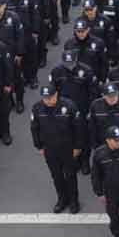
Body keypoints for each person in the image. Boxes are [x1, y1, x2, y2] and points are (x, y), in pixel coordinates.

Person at [30, 84, 84, 214]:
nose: (48, 100)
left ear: (56, 95)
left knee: (70, 175)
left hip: (67, 147)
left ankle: (73, 201)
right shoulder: (37, 108)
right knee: (56, 176)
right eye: (45, 98)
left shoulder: (69, 106)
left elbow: (79, 128)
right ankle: (62, 199)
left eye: (50, 97)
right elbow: (34, 128)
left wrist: (78, 146)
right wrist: (39, 146)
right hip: (50, 149)